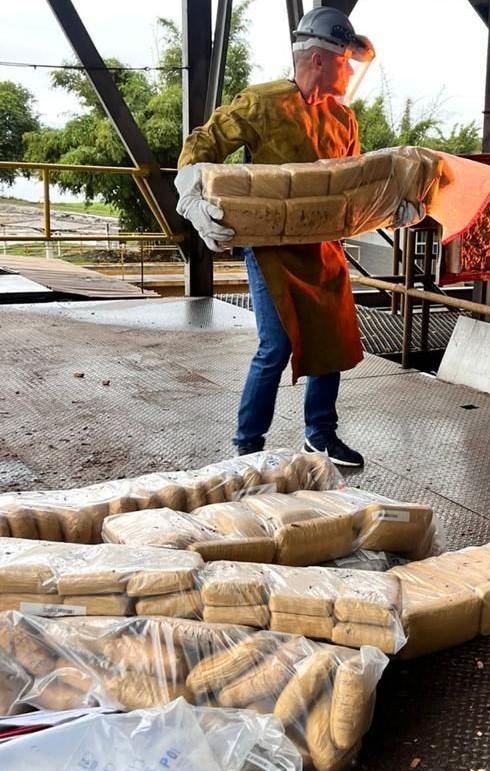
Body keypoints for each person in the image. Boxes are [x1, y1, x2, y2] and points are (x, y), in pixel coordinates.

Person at [174, 8, 378, 466]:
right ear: (321, 60)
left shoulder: (344, 120)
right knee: (277, 345)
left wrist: (391, 204)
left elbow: (355, 182)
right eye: (346, 61)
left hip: (323, 247)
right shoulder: (262, 103)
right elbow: (199, 148)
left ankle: (320, 434)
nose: (350, 72)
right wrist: (192, 199)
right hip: (271, 250)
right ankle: (248, 445)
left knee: (332, 337)